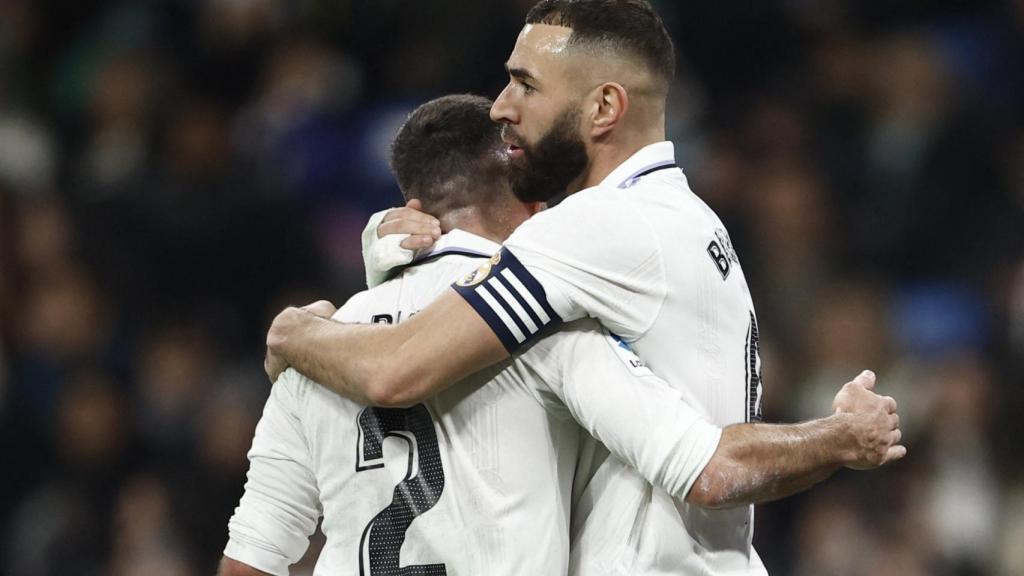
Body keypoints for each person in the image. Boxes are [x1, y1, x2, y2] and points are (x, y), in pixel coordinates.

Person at [264, 2, 904, 573]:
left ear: (604, 107)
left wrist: (296, 332)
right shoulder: (684, 219)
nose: (499, 108)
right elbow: (717, 465)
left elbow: (397, 370)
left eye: (525, 85)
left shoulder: (594, 228)